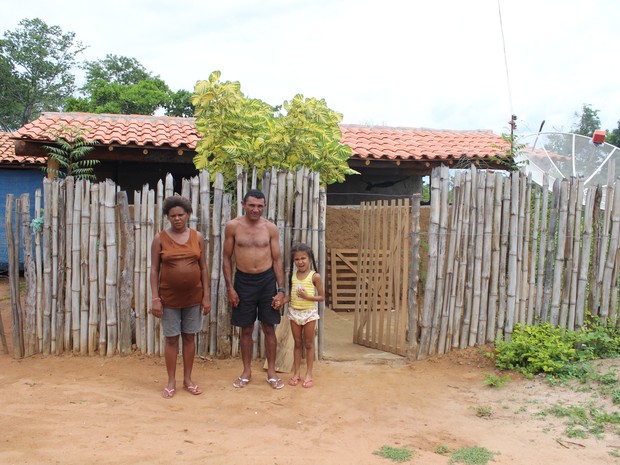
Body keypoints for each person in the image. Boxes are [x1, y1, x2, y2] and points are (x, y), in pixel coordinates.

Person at [223, 189, 286, 389]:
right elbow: (226, 257)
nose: (255, 209)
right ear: (243, 204)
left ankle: (272, 372)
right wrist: (230, 288)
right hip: (243, 281)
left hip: (267, 281)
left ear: (264, 206)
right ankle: (246, 371)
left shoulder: (270, 228)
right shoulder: (233, 226)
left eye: (259, 206)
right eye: (251, 205)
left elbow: (277, 260)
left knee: (269, 326)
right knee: (246, 328)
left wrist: (281, 289)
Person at [150, 195, 211, 399]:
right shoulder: (160, 238)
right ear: (167, 217)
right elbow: (154, 270)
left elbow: (203, 268)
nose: (177, 219)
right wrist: (156, 299)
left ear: (188, 215)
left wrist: (206, 297)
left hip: (194, 297)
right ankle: (170, 381)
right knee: (171, 339)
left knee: (189, 337)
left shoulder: (198, 237)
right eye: (173, 215)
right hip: (169, 298)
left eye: (181, 215)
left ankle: (188, 379)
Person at [284, 243, 324, 388]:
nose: (300, 262)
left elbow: (321, 297)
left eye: (303, 258)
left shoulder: (315, 276)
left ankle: (309, 374)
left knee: (308, 344)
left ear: (310, 259)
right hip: (294, 313)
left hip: (309, 314)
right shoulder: (293, 276)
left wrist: (308, 297)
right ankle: (296, 373)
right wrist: (282, 300)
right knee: (297, 343)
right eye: (297, 259)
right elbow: (293, 296)